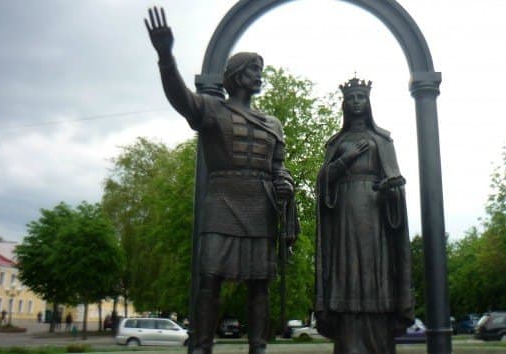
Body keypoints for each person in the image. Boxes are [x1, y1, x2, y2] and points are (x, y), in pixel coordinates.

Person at [145, 7, 298, 354]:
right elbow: (179, 98)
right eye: (253, 70)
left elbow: (279, 168)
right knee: (210, 278)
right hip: (222, 202)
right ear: (236, 75)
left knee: (260, 284)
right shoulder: (212, 110)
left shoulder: (272, 123)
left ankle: (258, 346)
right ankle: (201, 345)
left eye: (260, 71)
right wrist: (166, 57)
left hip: (261, 206)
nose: (259, 76)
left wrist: (284, 183)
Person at [315, 78, 414, 354]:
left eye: (361, 97)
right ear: (344, 104)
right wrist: (344, 160)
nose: (357, 102)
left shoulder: (381, 140)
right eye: (352, 98)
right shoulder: (336, 143)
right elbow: (322, 182)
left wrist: (390, 190)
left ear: (368, 103)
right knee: (346, 269)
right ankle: (349, 340)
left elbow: (394, 179)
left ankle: (377, 338)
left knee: (375, 270)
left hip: (375, 215)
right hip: (345, 215)